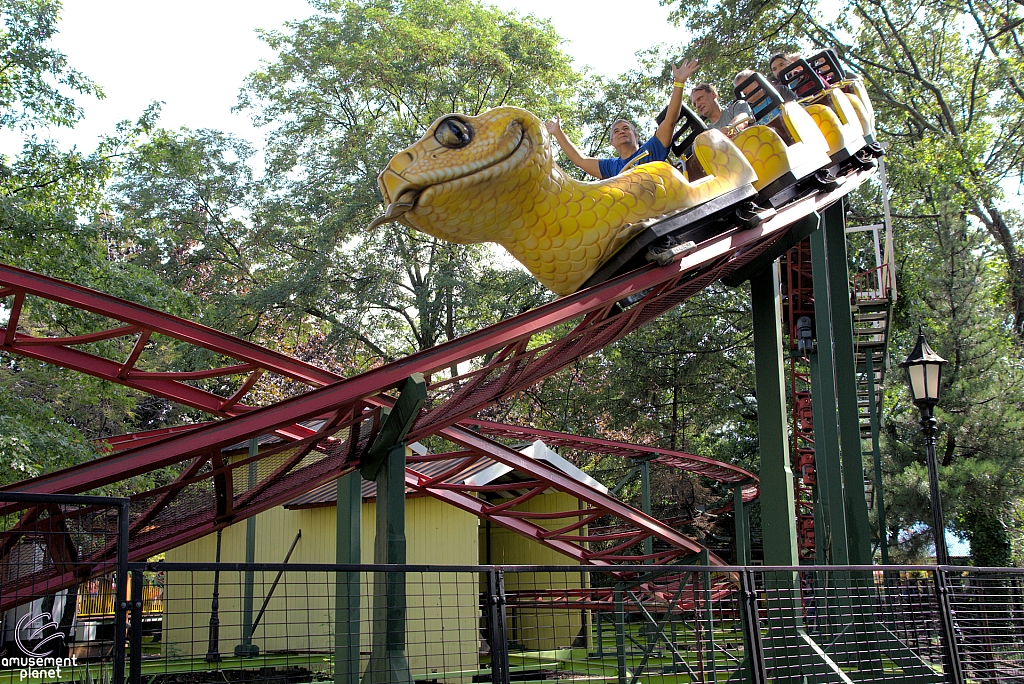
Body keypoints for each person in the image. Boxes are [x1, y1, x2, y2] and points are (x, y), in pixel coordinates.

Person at [544, 59, 699, 179]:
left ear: (636, 136)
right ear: (612, 142)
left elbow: (670, 119)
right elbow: (580, 161)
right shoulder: (612, 167)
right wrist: (558, 133)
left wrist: (679, 83)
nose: (621, 132)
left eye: (626, 129)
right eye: (616, 131)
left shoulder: (651, 149)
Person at [689, 82, 753, 132]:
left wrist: (727, 130)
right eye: (695, 104)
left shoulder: (738, 106)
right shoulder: (708, 133)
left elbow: (743, 119)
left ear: (713, 94)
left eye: (700, 98)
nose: (697, 105)